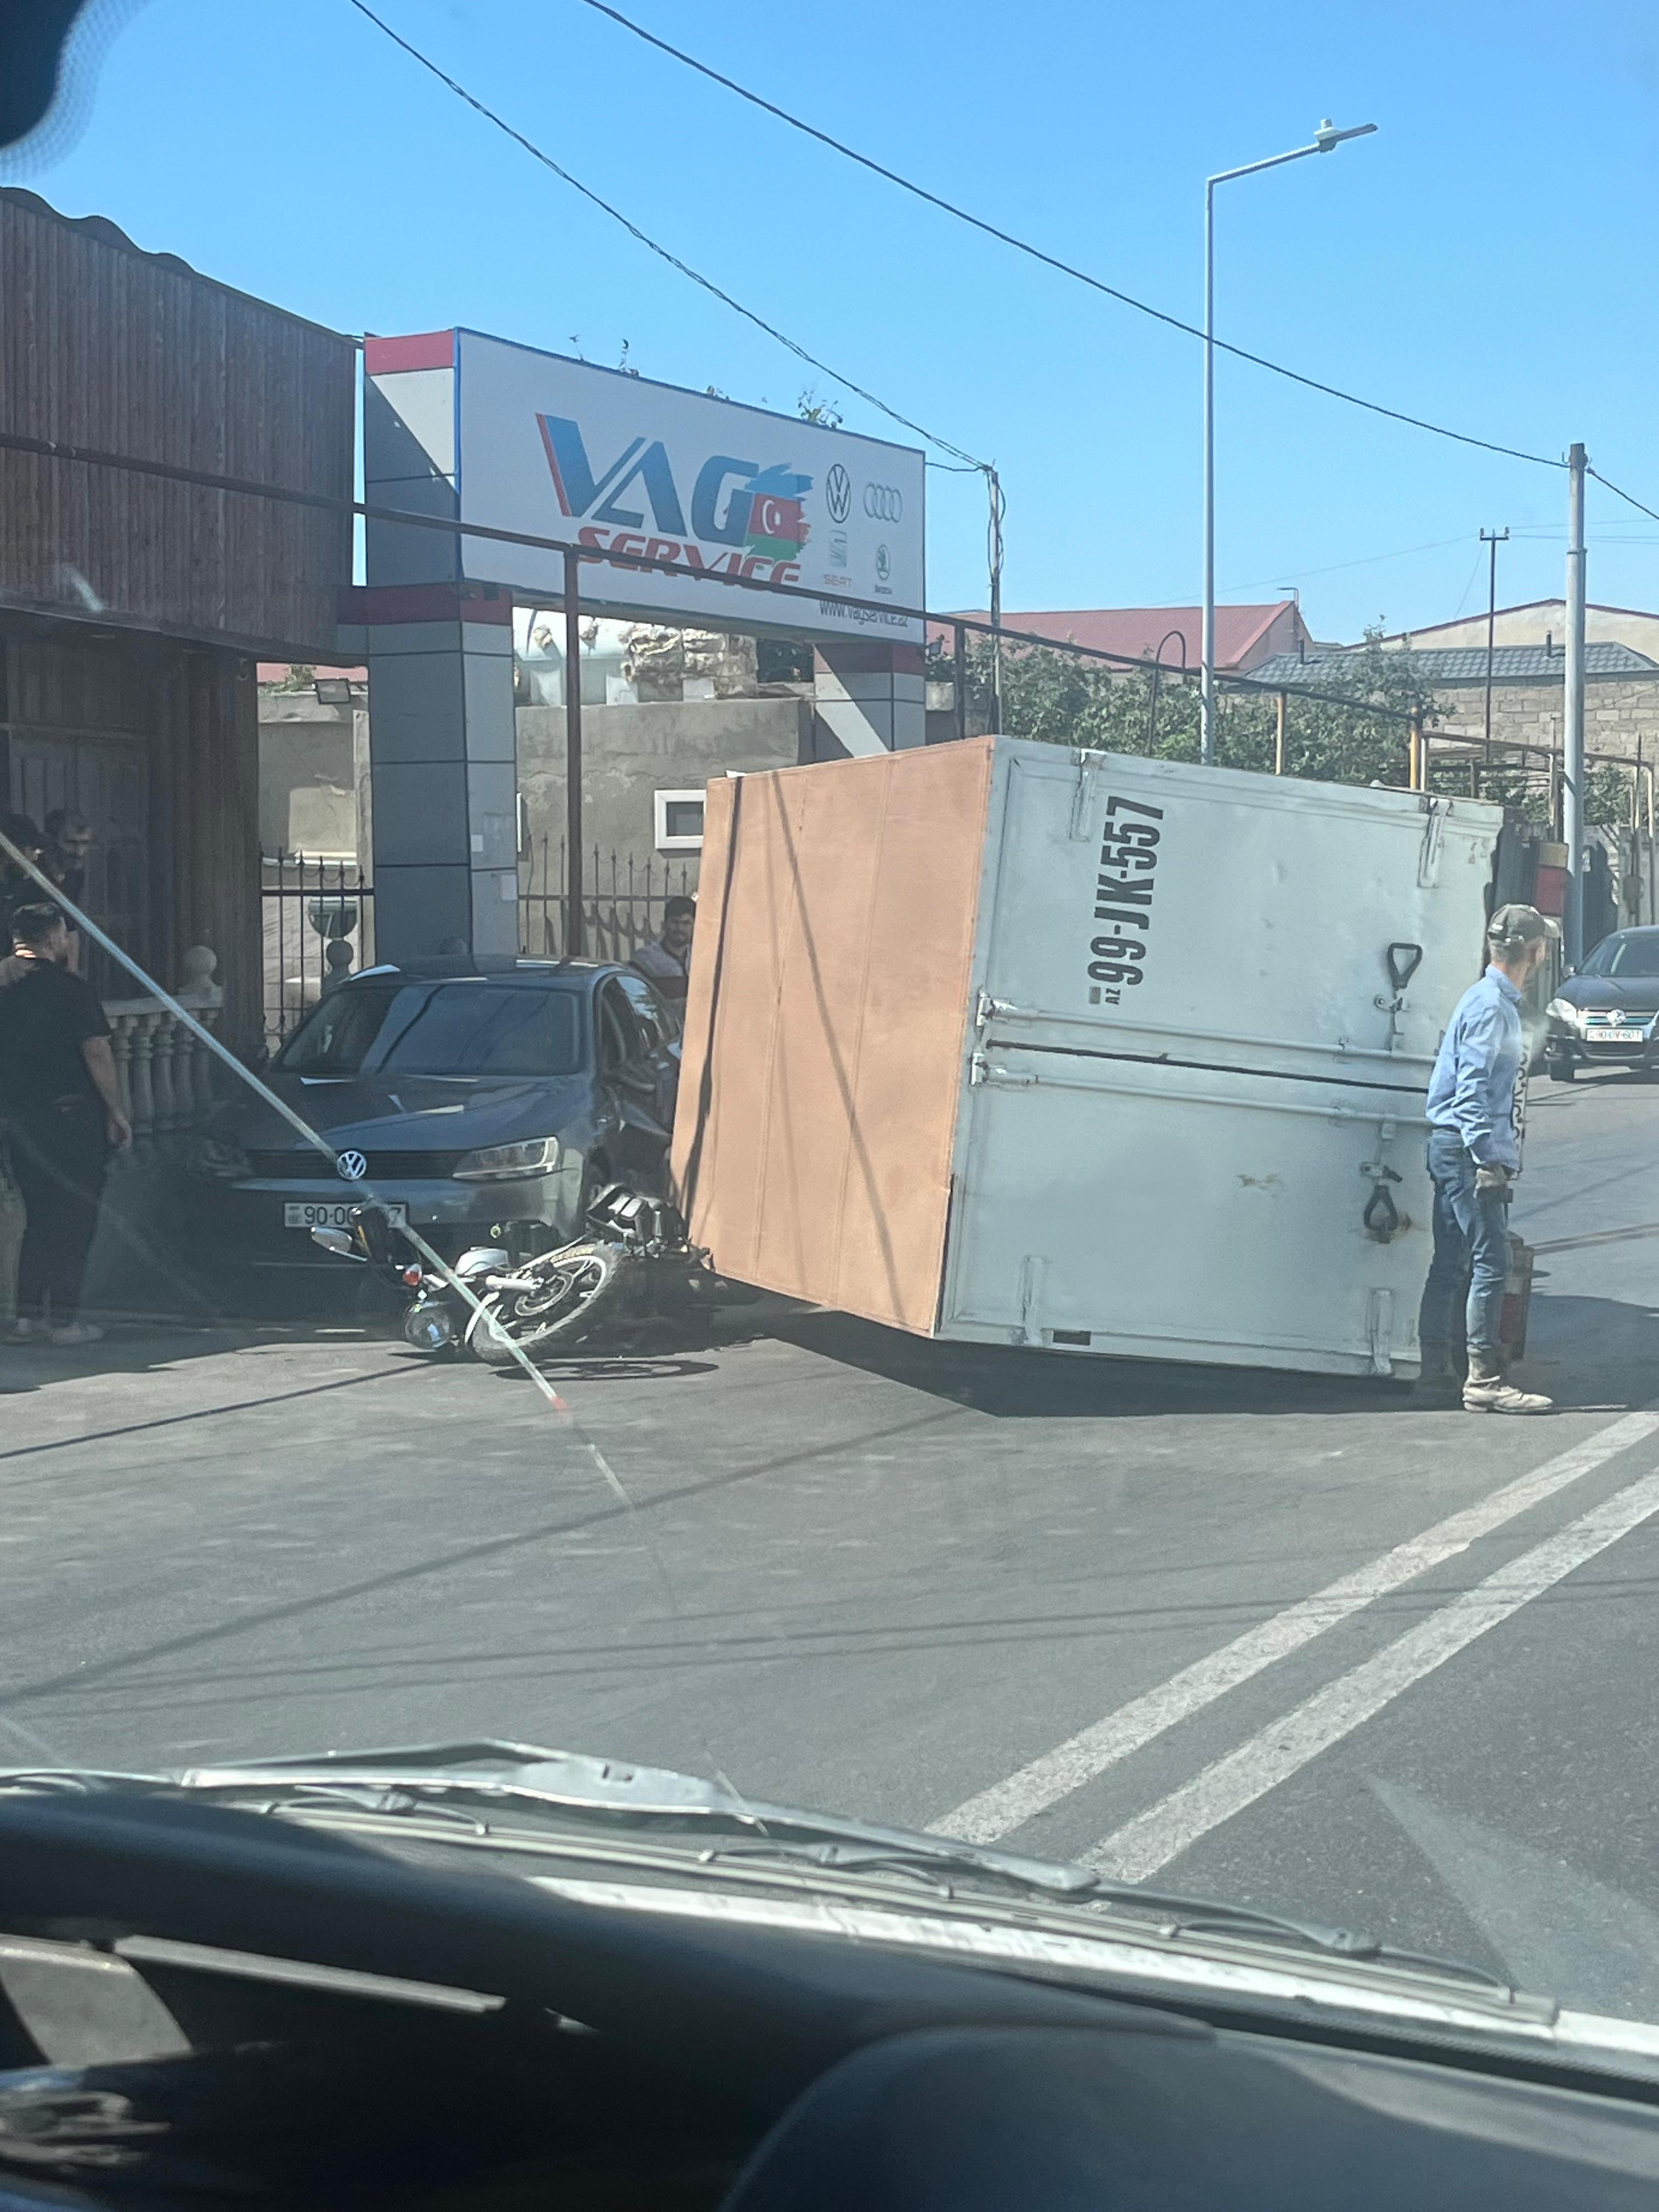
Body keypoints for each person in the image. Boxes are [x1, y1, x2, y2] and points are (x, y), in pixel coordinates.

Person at [1418, 902, 1553, 1414]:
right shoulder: (1493, 1007)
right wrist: (1487, 1160)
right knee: (1490, 1264)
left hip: (1450, 1146)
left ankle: (1436, 1375)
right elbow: (1472, 1092)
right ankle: (1484, 1380)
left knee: (1449, 1264)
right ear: (1536, 952)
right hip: (1467, 1152)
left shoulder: (1483, 998)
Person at [0, 900, 132, 1345]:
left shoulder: (4, 986)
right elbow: (96, 1052)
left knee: (37, 1218)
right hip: (71, 1115)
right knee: (73, 1218)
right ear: (55, 938)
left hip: (20, 1118)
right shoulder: (72, 991)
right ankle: (65, 1321)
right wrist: (115, 1110)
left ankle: (29, 1317)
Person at [631, 895, 695, 1004]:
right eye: (675, 922)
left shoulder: (701, 960)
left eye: (686, 923)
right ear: (665, 924)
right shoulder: (646, 960)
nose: (680, 928)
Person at [42, 809, 91, 906]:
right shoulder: (33, 871)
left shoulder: (75, 873)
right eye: (70, 843)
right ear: (52, 841)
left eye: (85, 843)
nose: (79, 852)